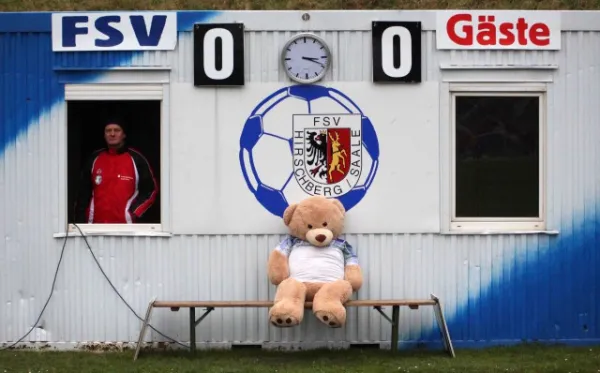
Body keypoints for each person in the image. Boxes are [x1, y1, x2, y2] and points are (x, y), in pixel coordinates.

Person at [74, 120, 158, 224]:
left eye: (117, 130)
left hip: (127, 227)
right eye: (108, 131)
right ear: (104, 135)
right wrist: (80, 221)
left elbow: (151, 190)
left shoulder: (136, 159)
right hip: (95, 227)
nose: (112, 134)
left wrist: (134, 213)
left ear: (124, 134)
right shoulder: (94, 158)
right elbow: (83, 193)